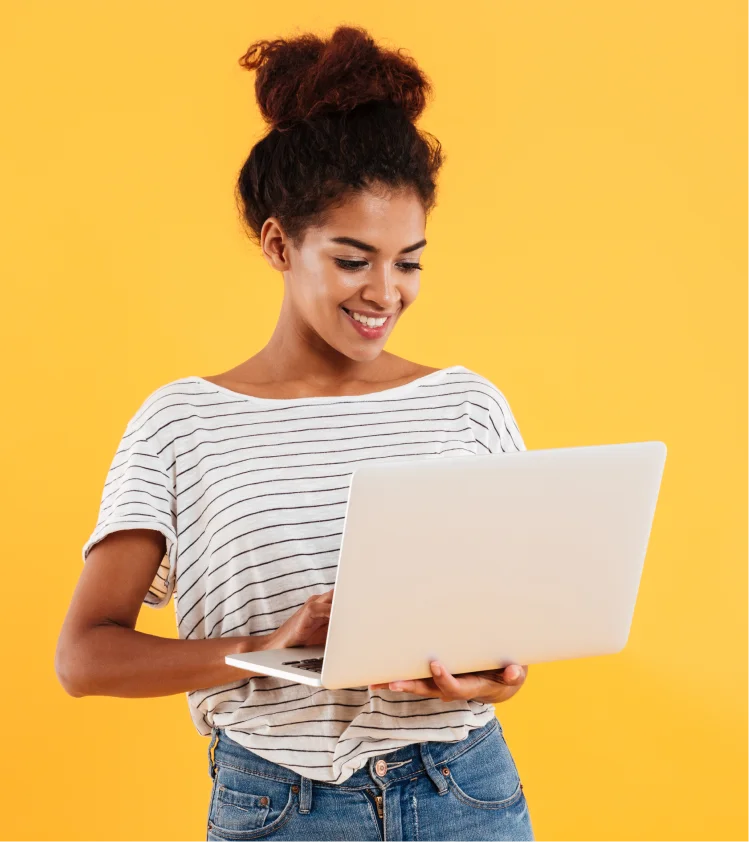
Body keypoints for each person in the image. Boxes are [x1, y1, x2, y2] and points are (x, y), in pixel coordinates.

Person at [55, 24, 536, 842]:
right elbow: (86, 657)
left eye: (408, 261)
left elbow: (510, 633)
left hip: (467, 793)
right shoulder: (183, 423)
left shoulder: (467, 406)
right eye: (353, 259)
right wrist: (265, 645)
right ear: (281, 243)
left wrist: (493, 677)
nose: (385, 291)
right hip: (280, 804)